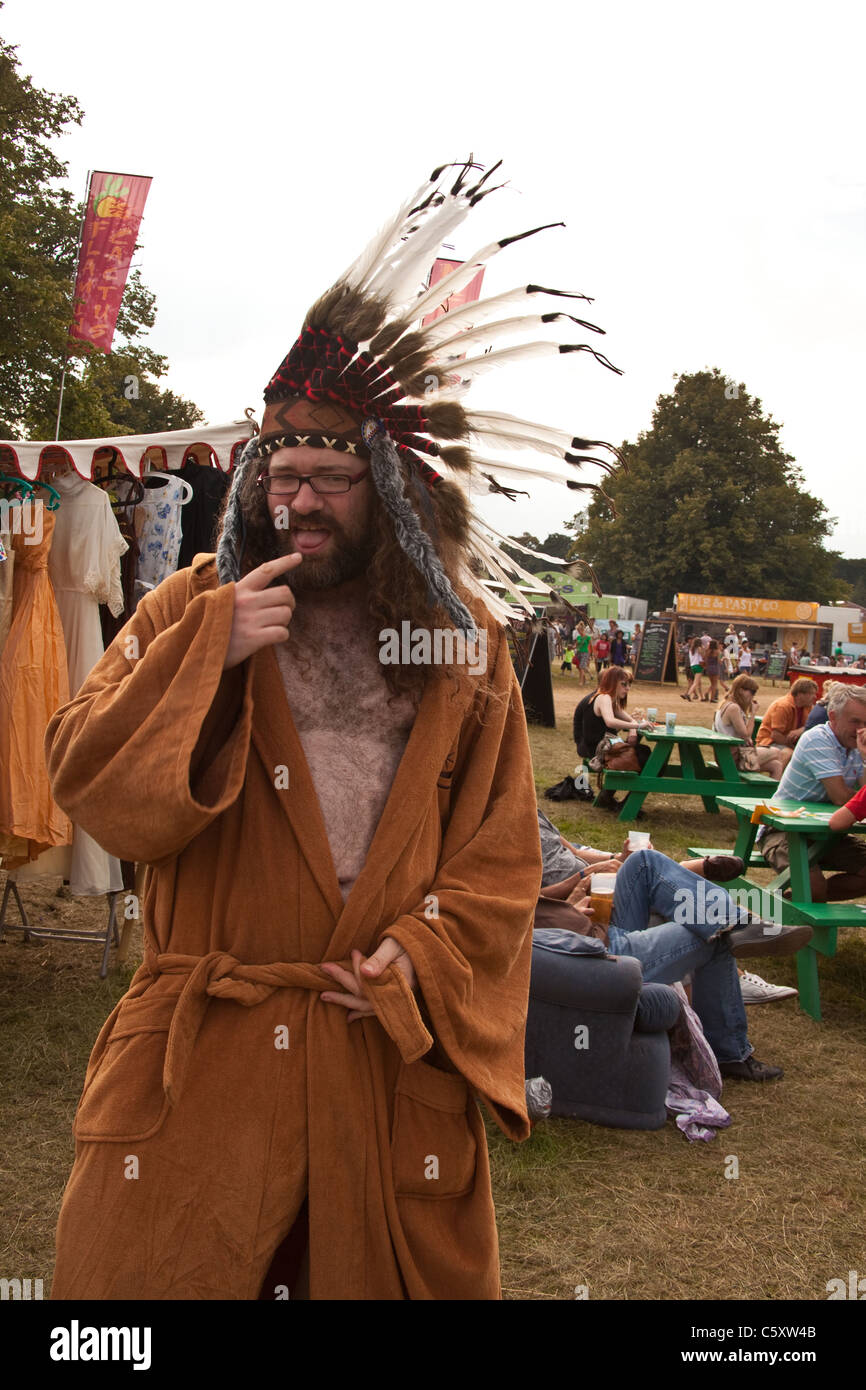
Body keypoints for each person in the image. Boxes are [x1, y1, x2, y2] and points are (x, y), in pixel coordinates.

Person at [44, 159, 626, 1301]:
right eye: (281, 476)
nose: (296, 503)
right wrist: (203, 655)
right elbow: (92, 787)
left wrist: (425, 955)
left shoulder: (463, 647)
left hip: (376, 1063)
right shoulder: (187, 606)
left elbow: (502, 860)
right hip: (202, 1068)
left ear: (398, 492)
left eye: (329, 479)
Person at [534, 818, 808, 1081]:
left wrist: (597, 869)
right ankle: (731, 1051)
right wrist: (575, 895)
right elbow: (518, 914)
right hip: (583, 945)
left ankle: (737, 923)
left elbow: (562, 862)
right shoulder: (496, 843)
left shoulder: (523, 808)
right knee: (712, 931)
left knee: (643, 862)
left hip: (589, 916)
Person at [759, 686, 866, 902]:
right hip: (782, 830)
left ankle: (793, 905)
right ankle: (788, 908)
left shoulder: (856, 746)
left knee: (813, 892)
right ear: (833, 717)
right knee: (811, 887)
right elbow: (842, 798)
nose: (861, 730)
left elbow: (862, 794)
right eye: (855, 722)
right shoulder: (817, 739)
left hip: (827, 834)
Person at [574, 665, 653, 809]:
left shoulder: (608, 699)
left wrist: (634, 729)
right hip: (598, 752)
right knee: (648, 758)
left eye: (629, 685)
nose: (627, 688)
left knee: (645, 754)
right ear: (612, 682)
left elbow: (630, 720)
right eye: (623, 684)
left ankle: (611, 797)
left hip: (601, 748)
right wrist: (638, 727)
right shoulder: (603, 697)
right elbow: (610, 721)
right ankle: (627, 803)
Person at [715, 674, 788, 780]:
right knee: (777, 752)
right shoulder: (733, 708)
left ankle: (771, 796)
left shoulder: (724, 704)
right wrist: (753, 713)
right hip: (735, 758)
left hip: (725, 756)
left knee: (776, 765)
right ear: (740, 690)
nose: (753, 697)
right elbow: (746, 734)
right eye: (752, 692)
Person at [756, 678, 818, 756]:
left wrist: (802, 729)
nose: (815, 697)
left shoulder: (807, 707)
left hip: (789, 744)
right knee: (789, 754)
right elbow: (775, 735)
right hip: (769, 743)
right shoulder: (783, 706)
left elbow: (813, 726)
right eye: (812, 693)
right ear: (800, 694)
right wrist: (795, 748)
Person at [683, 636, 704, 701]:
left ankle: (702, 697)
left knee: (698, 682)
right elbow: (703, 656)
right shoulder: (699, 648)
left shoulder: (691, 649)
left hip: (692, 665)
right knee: (696, 683)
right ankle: (688, 694)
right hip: (698, 665)